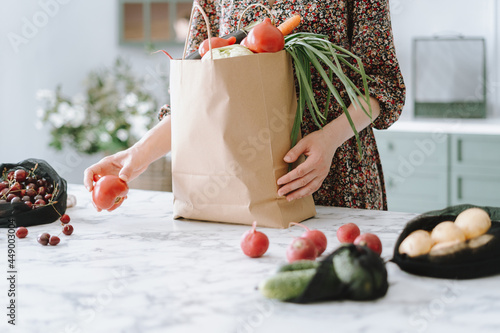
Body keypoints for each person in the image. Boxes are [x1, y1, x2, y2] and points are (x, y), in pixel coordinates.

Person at [84, 0, 405, 210]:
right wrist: (136, 156)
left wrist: (330, 139)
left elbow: (383, 84)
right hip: (237, 182)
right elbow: (198, 92)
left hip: (336, 175)